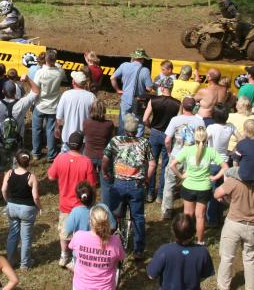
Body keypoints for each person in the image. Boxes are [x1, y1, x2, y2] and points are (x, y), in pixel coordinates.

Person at [102, 113, 154, 258]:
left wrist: (106, 172)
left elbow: (105, 159)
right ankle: (138, 250)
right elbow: (152, 164)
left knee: (113, 215)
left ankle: (109, 244)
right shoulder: (144, 143)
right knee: (138, 217)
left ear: (124, 128)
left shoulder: (115, 141)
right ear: (137, 129)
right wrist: (147, 179)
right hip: (136, 185)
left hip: (118, 183)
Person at [145, 213, 214, 290]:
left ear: (173, 232)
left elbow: (151, 275)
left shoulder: (165, 251)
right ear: (194, 232)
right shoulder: (202, 252)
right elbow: (206, 273)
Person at [169, 125, 226, 245]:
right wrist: (215, 177)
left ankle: (184, 239)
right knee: (200, 216)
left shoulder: (187, 150)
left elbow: (172, 165)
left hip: (188, 186)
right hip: (204, 188)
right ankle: (200, 241)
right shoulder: (211, 151)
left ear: (194, 138)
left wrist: (181, 176)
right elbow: (225, 167)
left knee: (187, 216)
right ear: (206, 139)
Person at [49, 130, 97, 267]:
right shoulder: (86, 162)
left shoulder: (60, 158)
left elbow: (51, 176)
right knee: (81, 232)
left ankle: (64, 255)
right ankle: (78, 257)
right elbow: (92, 185)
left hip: (64, 204)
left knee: (64, 231)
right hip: (81, 205)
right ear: (82, 145)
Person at [68, 205, 125, 290]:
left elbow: (71, 247)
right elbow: (122, 257)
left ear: (90, 221)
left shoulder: (79, 236)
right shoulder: (115, 241)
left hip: (81, 288)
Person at [143, 81, 181, 202]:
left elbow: (144, 119)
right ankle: (160, 196)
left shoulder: (153, 100)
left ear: (162, 87)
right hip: (168, 135)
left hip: (154, 133)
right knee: (165, 165)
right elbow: (178, 123)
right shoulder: (177, 103)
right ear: (172, 87)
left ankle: (150, 193)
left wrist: (150, 127)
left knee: (151, 163)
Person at [111, 48, 154, 135]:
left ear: (133, 57)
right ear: (142, 59)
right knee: (139, 125)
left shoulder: (124, 65)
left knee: (123, 123)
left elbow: (112, 78)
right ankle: (137, 144)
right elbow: (149, 88)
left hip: (125, 99)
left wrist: (117, 90)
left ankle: (122, 142)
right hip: (139, 101)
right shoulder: (145, 70)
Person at [31, 49, 64, 162]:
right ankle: (51, 154)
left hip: (40, 104)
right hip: (53, 105)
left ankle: (36, 152)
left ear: (45, 59)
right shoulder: (60, 72)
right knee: (50, 131)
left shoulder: (40, 72)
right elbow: (58, 66)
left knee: (36, 129)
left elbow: (35, 89)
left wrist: (31, 102)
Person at [55, 70, 96, 150]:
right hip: (84, 138)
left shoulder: (66, 94)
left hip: (67, 136)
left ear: (73, 82)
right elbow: (94, 117)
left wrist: (56, 128)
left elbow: (59, 117)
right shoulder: (91, 96)